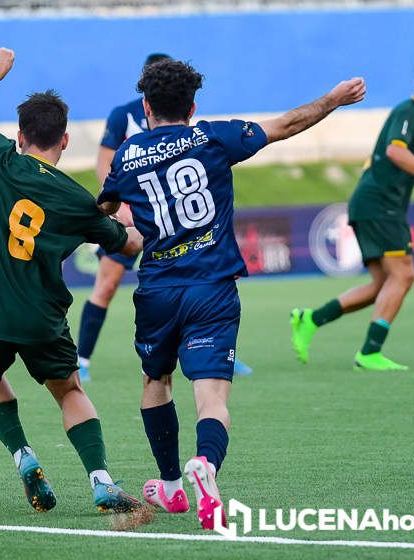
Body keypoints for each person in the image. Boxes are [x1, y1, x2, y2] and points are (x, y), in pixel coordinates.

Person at [97, 58, 365, 527]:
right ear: (193, 106)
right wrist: (334, 99)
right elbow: (285, 125)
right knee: (213, 398)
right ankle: (204, 464)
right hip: (212, 288)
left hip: (157, 290)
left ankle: (172, 487)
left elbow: (101, 213)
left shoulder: (127, 154)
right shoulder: (215, 137)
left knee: (155, 383)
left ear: (145, 107)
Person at [0, 47, 144, 514]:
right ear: (66, 140)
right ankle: (101, 481)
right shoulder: (78, 201)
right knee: (69, 391)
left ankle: (24, 456)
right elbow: (127, 244)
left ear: (19, 135)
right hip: (40, 319)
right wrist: (112, 213)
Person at [77, 53, 252, 381]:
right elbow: (106, 164)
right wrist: (123, 208)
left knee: (203, 274)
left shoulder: (176, 113)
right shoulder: (122, 116)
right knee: (107, 284)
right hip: (133, 216)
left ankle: (218, 352)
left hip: (174, 218)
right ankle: (82, 359)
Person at [291, 55, 414, 372]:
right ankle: (369, 352)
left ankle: (310, 319)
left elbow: (396, 163)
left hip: (374, 203)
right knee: (404, 275)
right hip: (381, 205)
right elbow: (395, 151)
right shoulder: (409, 112)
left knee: (382, 283)